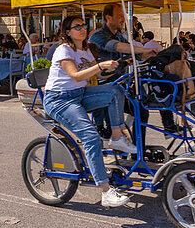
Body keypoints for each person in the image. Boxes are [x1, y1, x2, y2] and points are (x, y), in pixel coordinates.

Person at [43, 16, 132, 209]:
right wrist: (100, 65)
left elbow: (98, 75)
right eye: (77, 27)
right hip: (59, 99)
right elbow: (76, 75)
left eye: (84, 26)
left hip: (80, 94)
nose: (82, 29)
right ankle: (106, 192)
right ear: (67, 32)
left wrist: (118, 65)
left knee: (115, 91)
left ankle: (117, 138)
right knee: (91, 137)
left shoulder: (86, 49)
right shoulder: (64, 50)